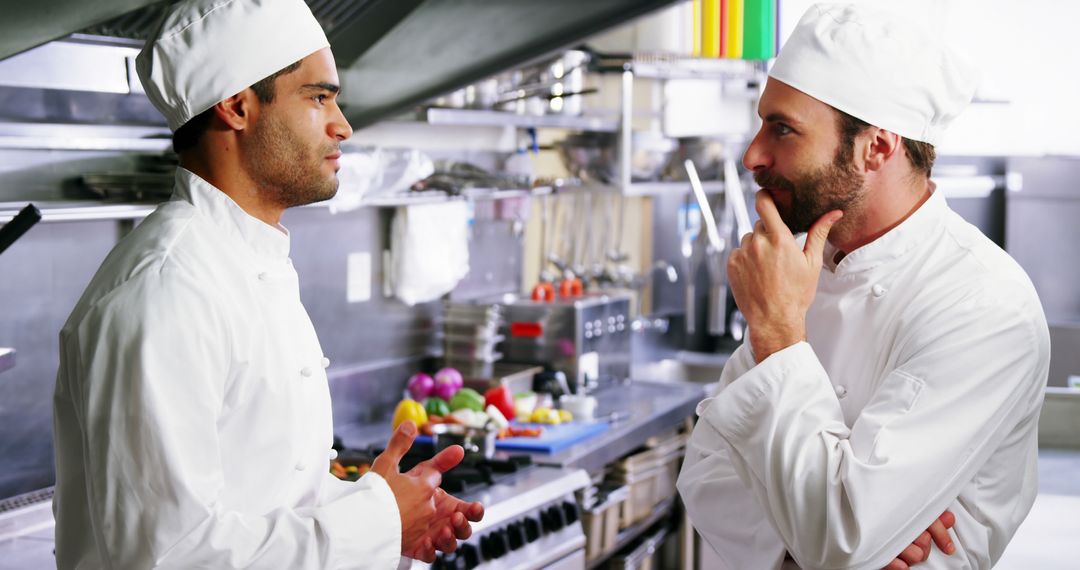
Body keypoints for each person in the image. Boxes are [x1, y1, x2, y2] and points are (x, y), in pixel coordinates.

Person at [52, 0, 481, 567]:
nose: (343, 125)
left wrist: (385, 520)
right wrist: (374, 518)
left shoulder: (244, 262)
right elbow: (167, 557)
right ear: (236, 107)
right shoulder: (167, 293)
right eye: (318, 97)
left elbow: (265, 499)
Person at [676, 4, 1049, 570]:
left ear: (876, 146)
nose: (753, 154)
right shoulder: (805, 270)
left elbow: (840, 538)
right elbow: (704, 474)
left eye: (783, 129)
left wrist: (779, 336)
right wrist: (810, 544)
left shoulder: (984, 304)